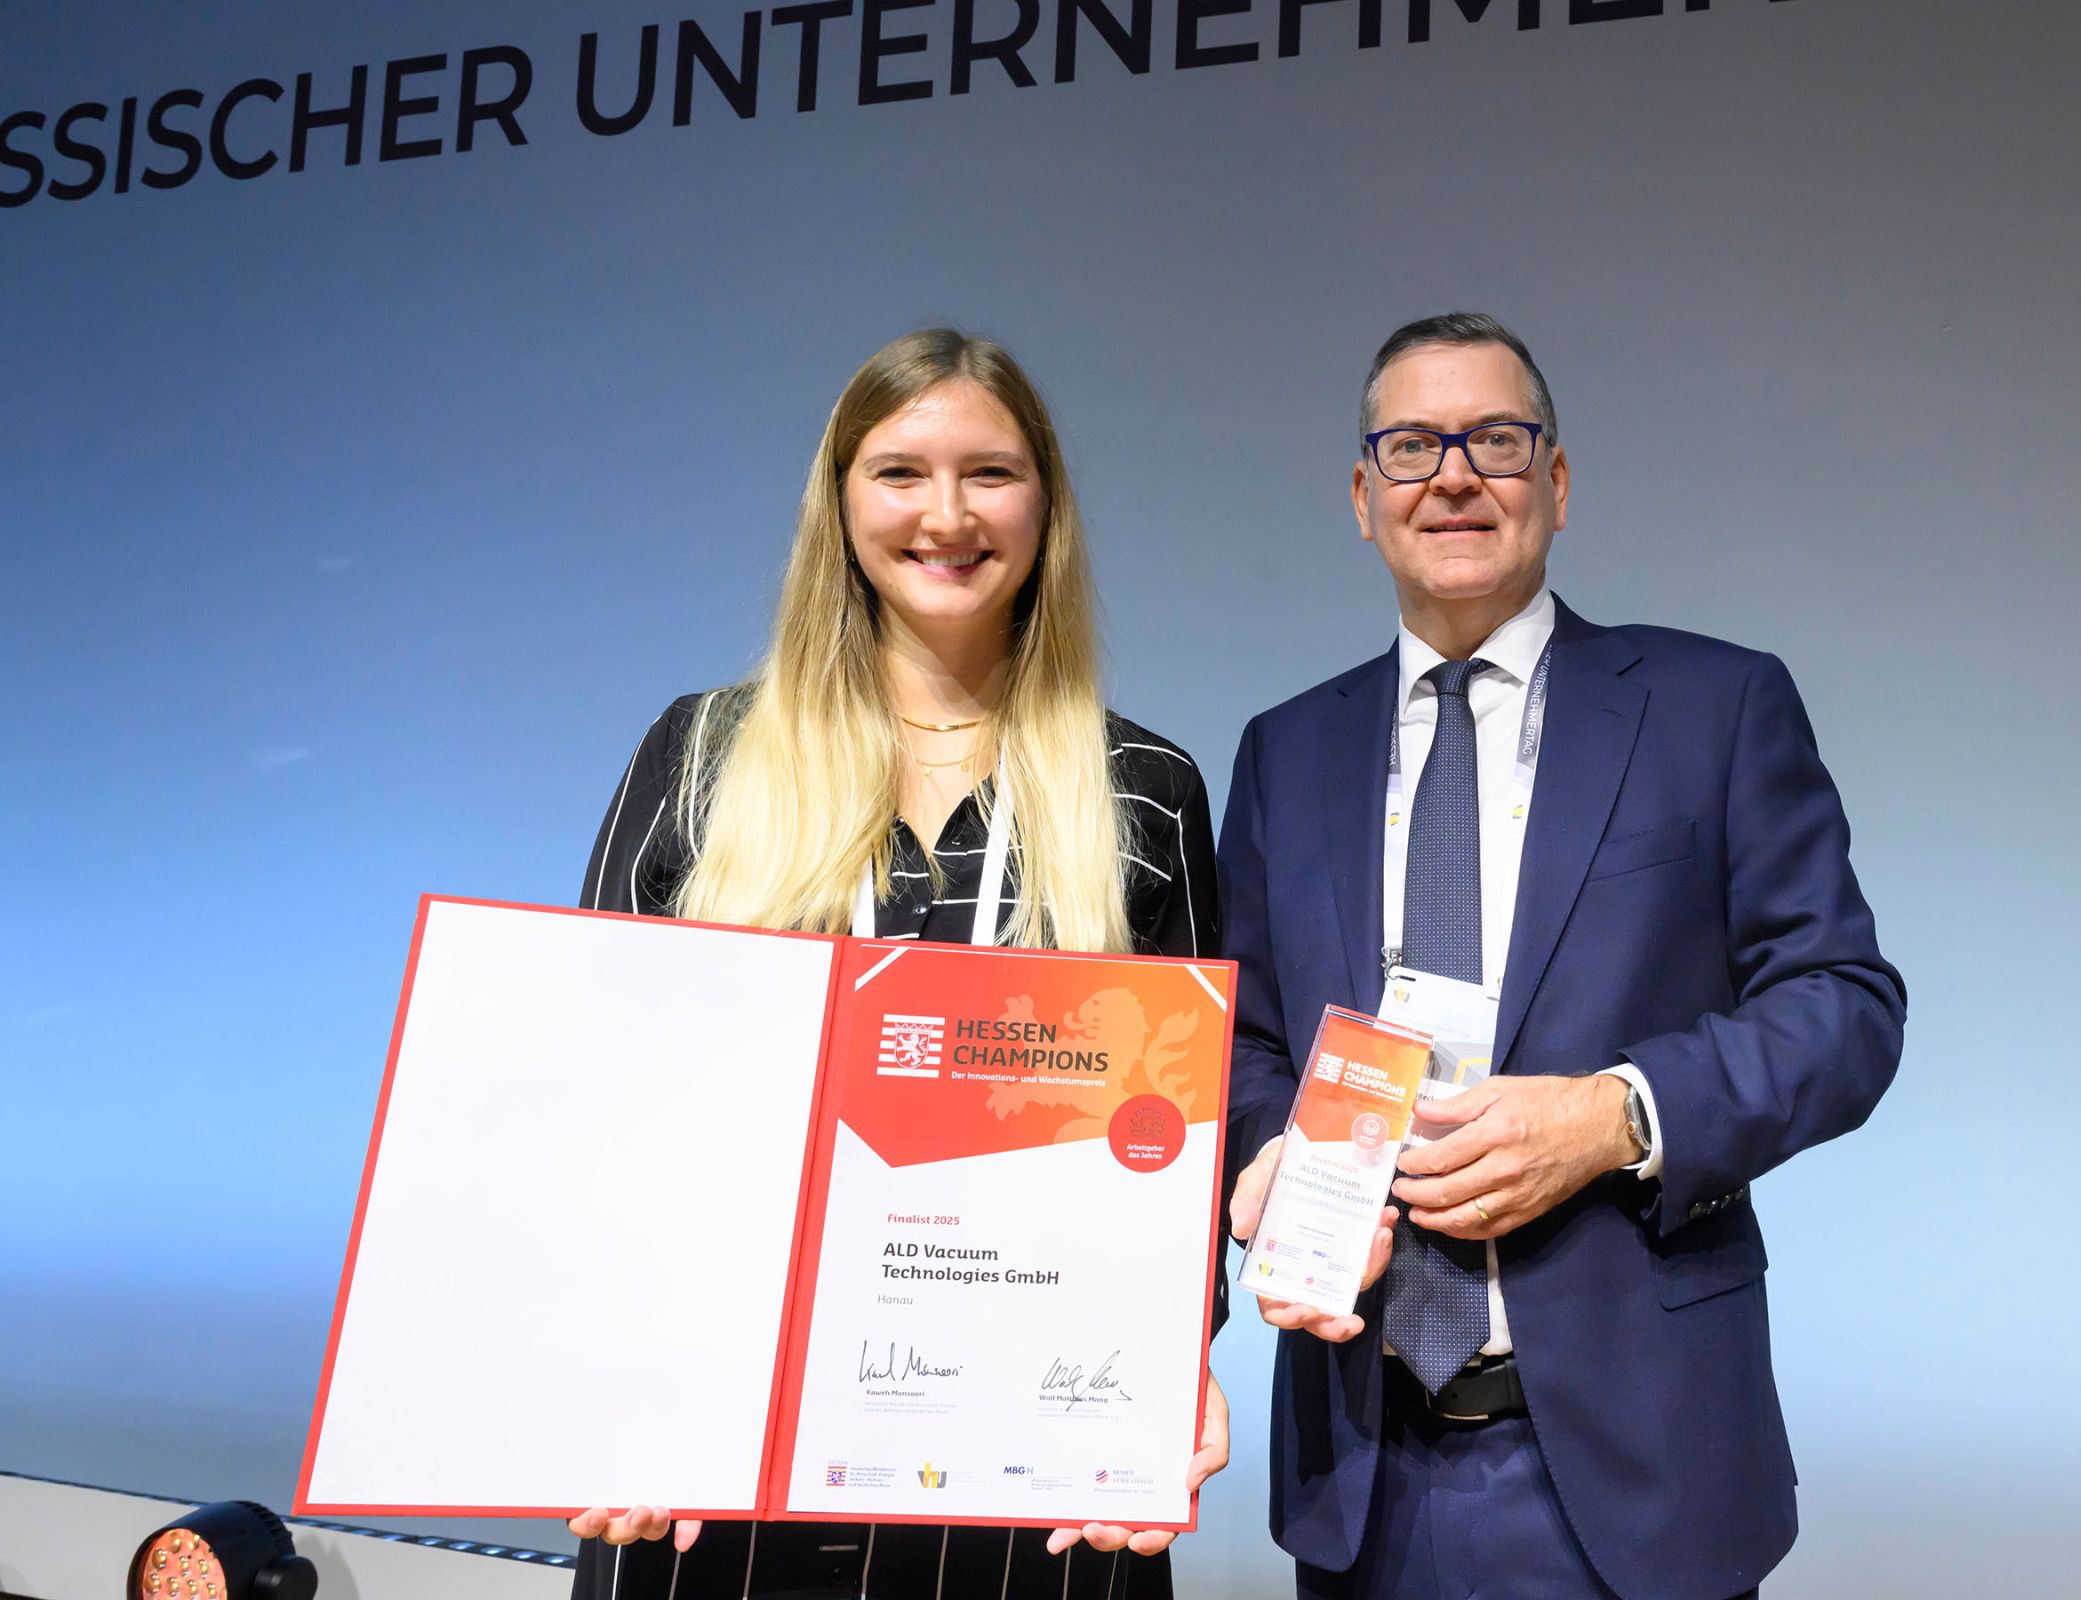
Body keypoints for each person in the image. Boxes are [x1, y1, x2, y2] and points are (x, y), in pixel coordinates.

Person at [1220, 313, 1906, 1600]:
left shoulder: (1714, 706)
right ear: (1364, 500)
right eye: (1413, 446)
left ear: (1560, 482)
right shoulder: (1284, 751)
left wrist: (1616, 1113)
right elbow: (1249, 1040)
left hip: (1637, 1476)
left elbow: (1847, 1007)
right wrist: (1276, 1159)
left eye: (1497, 437)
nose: (1456, 474)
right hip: (1361, 1469)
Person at [565, 328, 1227, 1600]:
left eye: (990, 471)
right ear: (840, 500)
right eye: (900, 471)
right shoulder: (703, 752)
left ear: (1045, 504)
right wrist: (605, 1373)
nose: (947, 514)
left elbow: (1177, 1144)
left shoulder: (1143, 788)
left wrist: (1163, 1355)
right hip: (713, 1477)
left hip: (1031, 1499)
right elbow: (595, 1097)